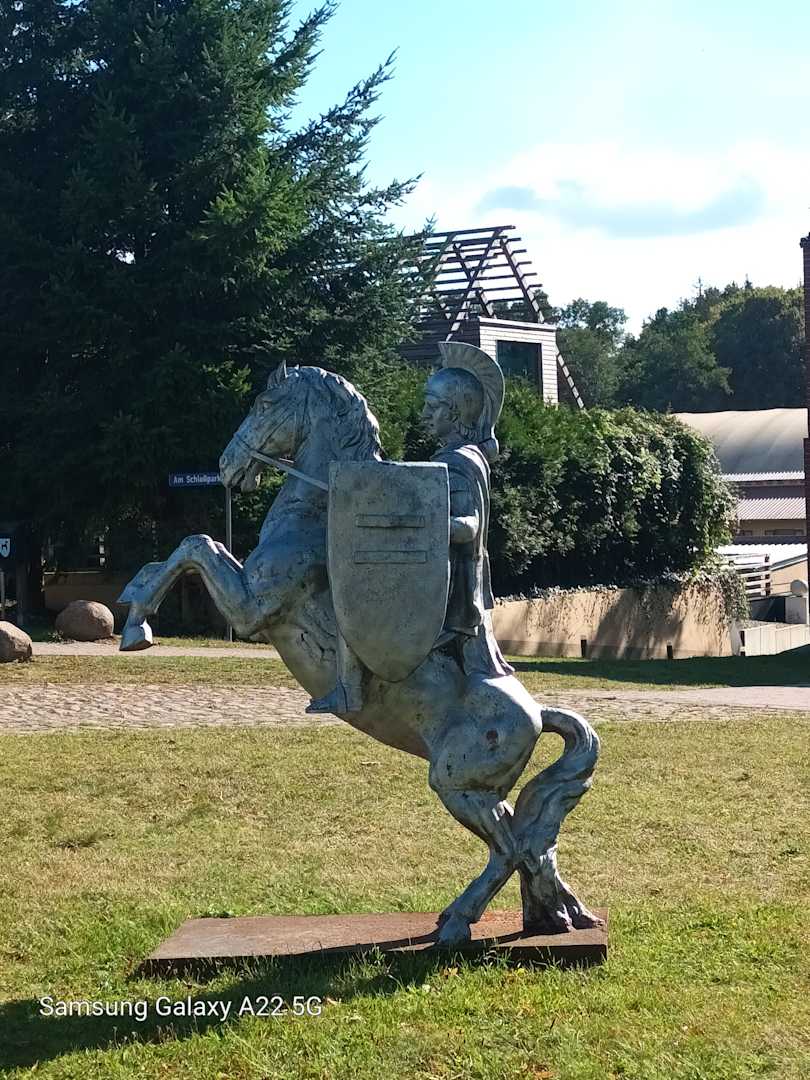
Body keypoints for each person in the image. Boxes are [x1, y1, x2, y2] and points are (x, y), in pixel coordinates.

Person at [306, 342, 512, 714]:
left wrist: (416, 526)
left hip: (451, 593)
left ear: (455, 412)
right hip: (444, 580)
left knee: (358, 604)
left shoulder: (459, 463)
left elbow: (470, 526)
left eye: (433, 407)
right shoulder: (458, 457)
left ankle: (350, 691)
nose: (425, 414)